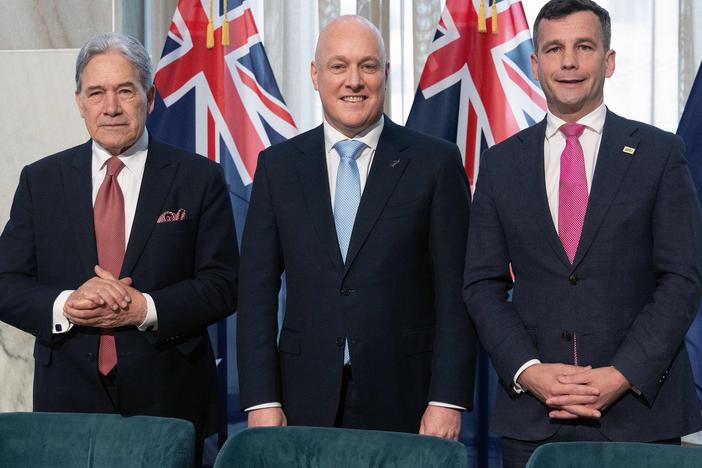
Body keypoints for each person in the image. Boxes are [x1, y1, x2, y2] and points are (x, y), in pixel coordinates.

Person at [463, 0, 702, 466]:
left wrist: (622, 374)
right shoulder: (501, 163)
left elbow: (681, 279)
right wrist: (529, 372)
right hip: (534, 417)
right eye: (554, 49)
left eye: (584, 47)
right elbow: (481, 284)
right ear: (535, 65)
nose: (568, 61)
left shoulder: (660, 154)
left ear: (608, 61)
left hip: (639, 415)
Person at [0, 32, 238, 461]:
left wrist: (144, 308)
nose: (110, 107)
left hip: (170, 400)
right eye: (97, 93)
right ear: (79, 102)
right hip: (67, 402)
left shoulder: (199, 178)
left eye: (124, 91)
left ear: (149, 97)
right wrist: (65, 304)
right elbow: (5, 282)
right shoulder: (41, 181)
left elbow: (223, 283)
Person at [236, 15, 476, 439]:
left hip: (409, 397)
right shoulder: (278, 167)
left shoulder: (434, 163)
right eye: (338, 66)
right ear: (315, 74)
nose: (354, 81)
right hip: (300, 398)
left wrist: (447, 399)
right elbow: (255, 295)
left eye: (368, 66)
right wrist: (262, 401)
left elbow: (455, 293)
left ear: (385, 74)